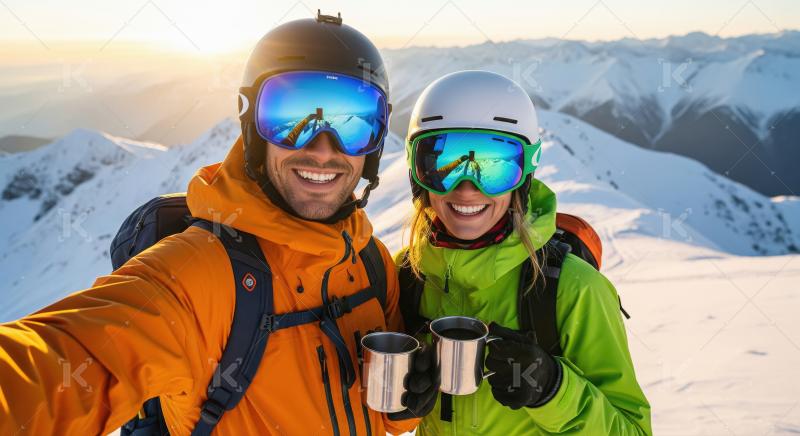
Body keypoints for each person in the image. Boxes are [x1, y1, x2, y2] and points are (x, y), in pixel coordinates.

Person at [0, 14, 424, 435]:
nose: (322, 147)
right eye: (290, 118)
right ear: (252, 128)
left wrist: (406, 406)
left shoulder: (369, 260)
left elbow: (380, 415)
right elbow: (56, 365)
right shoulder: (202, 271)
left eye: (355, 123)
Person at [396, 70, 652, 434]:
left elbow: (634, 430)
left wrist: (552, 388)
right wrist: (398, 408)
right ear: (415, 172)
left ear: (525, 175)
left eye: (495, 166)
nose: (467, 187)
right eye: (442, 165)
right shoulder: (408, 275)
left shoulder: (573, 289)